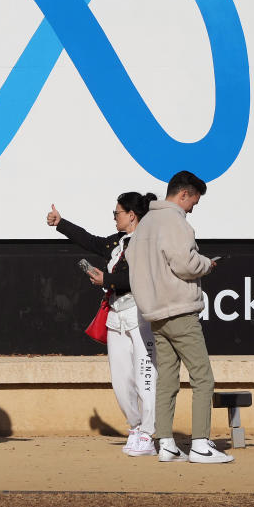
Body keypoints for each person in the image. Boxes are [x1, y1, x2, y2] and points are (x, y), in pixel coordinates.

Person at [127, 170, 233, 464]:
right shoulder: (174, 221)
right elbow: (185, 264)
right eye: (193, 202)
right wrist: (206, 265)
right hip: (179, 310)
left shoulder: (145, 223)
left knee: (168, 380)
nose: (192, 208)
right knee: (203, 377)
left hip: (155, 314)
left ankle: (166, 444)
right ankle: (200, 444)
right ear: (183, 194)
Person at [46, 191, 159, 456]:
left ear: (132, 215)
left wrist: (106, 280)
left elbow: (140, 278)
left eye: (117, 213)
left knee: (145, 377)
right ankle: (135, 426)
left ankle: (148, 433)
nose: (114, 218)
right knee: (121, 380)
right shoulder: (118, 242)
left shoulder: (148, 242)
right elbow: (91, 241)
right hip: (116, 316)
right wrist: (61, 223)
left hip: (140, 317)